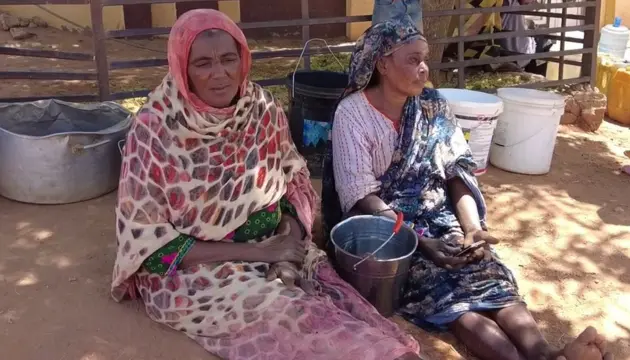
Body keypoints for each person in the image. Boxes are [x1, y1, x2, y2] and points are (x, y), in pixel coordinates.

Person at [110, 9, 422, 360]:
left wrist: (288, 243)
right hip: (197, 273)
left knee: (337, 302)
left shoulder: (262, 109)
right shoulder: (155, 128)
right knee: (300, 322)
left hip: (276, 248)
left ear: (243, 59)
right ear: (182, 67)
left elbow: (294, 186)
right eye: (202, 63)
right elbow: (151, 249)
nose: (219, 74)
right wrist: (258, 254)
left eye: (229, 59)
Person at [322, 18, 614, 360]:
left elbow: (456, 172)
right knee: (447, 294)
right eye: (412, 60)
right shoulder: (353, 114)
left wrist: (472, 228)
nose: (423, 68)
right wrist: (418, 241)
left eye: (425, 58)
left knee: (488, 273)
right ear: (383, 64)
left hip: (439, 219)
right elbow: (359, 196)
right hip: (386, 233)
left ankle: (545, 353)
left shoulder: (434, 106)